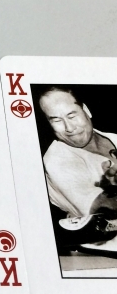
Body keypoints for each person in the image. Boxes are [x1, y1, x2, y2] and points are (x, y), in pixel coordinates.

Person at [39, 87, 117, 218]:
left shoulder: (114, 137)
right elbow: (104, 210)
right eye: (56, 120)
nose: (69, 128)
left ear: (86, 110)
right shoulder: (56, 160)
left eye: (72, 116)